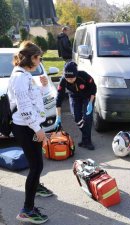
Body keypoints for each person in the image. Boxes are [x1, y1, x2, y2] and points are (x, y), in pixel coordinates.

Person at [8, 41, 53, 224]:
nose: (39, 61)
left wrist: (43, 86)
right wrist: (38, 129)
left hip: (29, 126)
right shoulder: (20, 77)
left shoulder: (25, 75)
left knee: (36, 164)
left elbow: (34, 99)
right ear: (32, 58)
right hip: (25, 127)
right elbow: (25, 108)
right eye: (39, 58)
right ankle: (27, 210)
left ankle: (35, 186)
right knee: (36, 166)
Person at [55, 61, 97, 150]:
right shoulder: (63, 80)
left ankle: (87, 141)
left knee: (87, 117)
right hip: (74, 96)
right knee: (77, 117)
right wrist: (58, 117)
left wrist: (90, 103)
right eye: (67, 78)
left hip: (87, 96)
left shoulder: (84, 76)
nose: (70, 80)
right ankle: (85, 139)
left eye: (72, 78)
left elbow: (93, 89)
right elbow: (59, 99)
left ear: (76, 74)